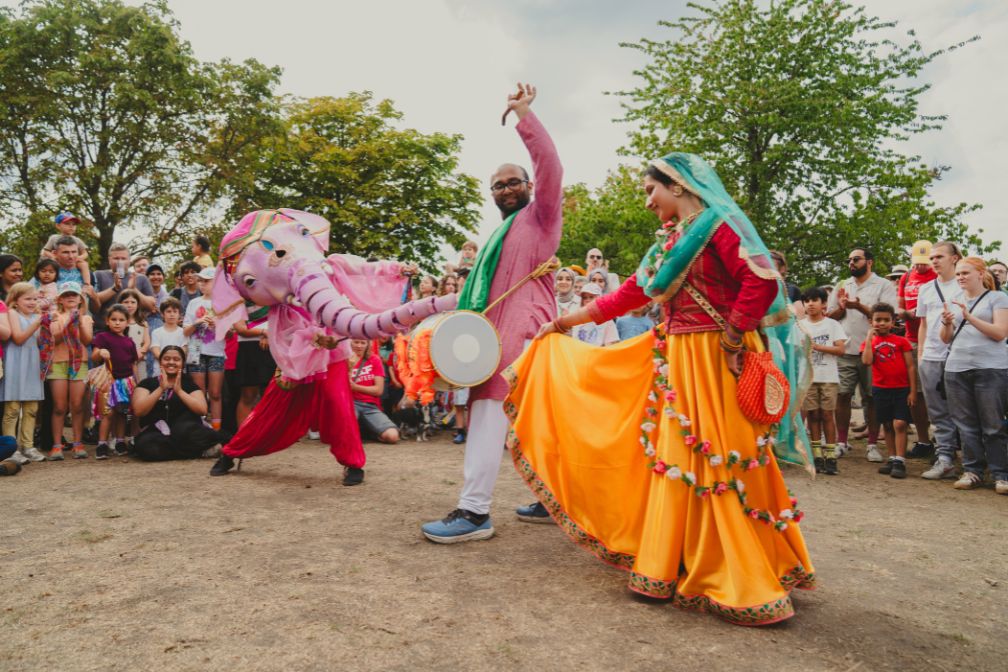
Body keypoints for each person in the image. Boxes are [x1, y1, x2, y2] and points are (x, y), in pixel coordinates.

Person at [512, 152, 814, 625]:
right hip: (678, 358)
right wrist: (564, 321)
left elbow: (758, 282)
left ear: (677, 185)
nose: (648, 201)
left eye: (651, 190)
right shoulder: (668, 245)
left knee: (718, 453)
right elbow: (629, 293)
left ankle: (738, 569)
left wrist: (734, 338)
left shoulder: (720, 224)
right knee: (676, 456)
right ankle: (675, 562)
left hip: (715, 357)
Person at [421, 83, 565, 543]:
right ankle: (554, 498)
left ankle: (474, 511)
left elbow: (552, 167)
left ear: (529, 187)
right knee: (540, 420)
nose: (505, 189)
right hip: (493, 333)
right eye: (497, 185)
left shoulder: (541, 217)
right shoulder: (498, 236)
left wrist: (524, 116)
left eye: (513, 182)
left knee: (486, 415)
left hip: (521, 334)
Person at [939, 258, 1008, 494]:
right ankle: (972, 471)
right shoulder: (952, 301)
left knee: (993, 425)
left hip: (991, 368)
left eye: (965, 273)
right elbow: (945, 338)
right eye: (958, 274)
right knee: (965, 425)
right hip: (956, 369)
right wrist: (946, 323)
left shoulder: (998, 298)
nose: (960, 277)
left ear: (980, 273)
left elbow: (1000, 333)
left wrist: (969, 318)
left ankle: (1001, 475)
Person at [826, 247, 898, 461]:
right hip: (846, 350)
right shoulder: (841, 285)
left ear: (869, 262)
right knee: (842, 396)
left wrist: (859, 306)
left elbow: (888, 317)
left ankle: (873, 444)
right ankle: (841, 441)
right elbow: (830, 317)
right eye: (849, 260)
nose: (851, 263)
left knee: (872, 397)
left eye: (856, 259)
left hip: (873, 350)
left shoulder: (883, 285)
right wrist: (841, 307)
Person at [917, 241, 966, 480]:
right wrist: (921, 355)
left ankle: (974, 462)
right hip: (932, 355)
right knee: (938, 412)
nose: (934, 261)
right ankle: (945, 459)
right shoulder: (926, 289)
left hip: (962, 355)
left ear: (955, 258)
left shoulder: (966, 284)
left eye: (939, 256)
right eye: (932, 257)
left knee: (965, 411)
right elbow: (923, 324)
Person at [130, 345, 220, 460]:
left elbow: (202, 410)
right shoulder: (147, 383)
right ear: (160, 361)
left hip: (185, 429)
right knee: (148, 447)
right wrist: (160, 389)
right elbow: (139, 411)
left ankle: (180, 449)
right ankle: (195, 451)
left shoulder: (188, 384)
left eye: (176, 359)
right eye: (166, 359)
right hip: (156, 431)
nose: (171, 362)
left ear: (182, 364)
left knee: (186, 433)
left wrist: (180, 391)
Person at [860, 303, 916, 479]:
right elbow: (867, 361)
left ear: (893, 322)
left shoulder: (901, 341)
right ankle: (892, 458)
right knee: (887, 424)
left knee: (900, 423)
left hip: (901, 389)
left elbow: (910, 367)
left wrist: (913, 391)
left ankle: (900, 459)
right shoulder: (869, 342)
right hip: (881, 389)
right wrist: (869, 339)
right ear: (871, 321)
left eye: (886, 320)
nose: (882, 323)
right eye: (878, 320)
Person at [798, 286, 847, 475]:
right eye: (807, 301)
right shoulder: (800, 325)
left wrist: (817, 346)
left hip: (828, 377)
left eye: (815, 300)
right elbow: (796, 351)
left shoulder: (832, 325)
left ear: (824, 303)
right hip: (808, 377)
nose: (810, 304)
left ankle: (831, 455)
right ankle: (817, 455)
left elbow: (840, 349)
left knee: (827, 415)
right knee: (812, 415)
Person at [42, 282, 93, 460]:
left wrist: (78, 323)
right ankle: (57, 445)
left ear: (80, 299)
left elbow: (87, 341)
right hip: (58, 363)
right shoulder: (54, 316)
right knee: (59, 406)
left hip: (79, 363)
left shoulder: (86, 318)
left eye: (74, 294)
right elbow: (53, 339)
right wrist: (68, 322)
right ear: (60, 300)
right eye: (66, 295)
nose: (71, 297)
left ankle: (78, 443)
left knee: (77, 405)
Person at [896, 240, 936, 458]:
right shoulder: (907, 276)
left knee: (938, 392)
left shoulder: (937, 277)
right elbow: (899, 306)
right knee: (915, 392)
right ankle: (923, 439)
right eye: (917, 262)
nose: (920, 267)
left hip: (936, 339)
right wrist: (905, 313)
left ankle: (946, 440)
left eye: (925, 262)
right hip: (912, 337)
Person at [2, 283, 46, 463]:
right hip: (15, 362)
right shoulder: (12, 314)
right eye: (27, 299)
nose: (32, 302)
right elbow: (19, 338)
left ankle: (28, 445)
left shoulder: (38, 316)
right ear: (15, 300)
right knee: (12, 408)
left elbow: (41, 342)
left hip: (33, 363)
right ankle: (11, 448)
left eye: (35, 299)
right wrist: (37, 323)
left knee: (31, 408)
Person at [91, 304, 138, 459]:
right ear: (107, 321)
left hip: (125, 382)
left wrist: (136, 383)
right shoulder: (102, 337)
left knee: (122, 413)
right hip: (108, 382)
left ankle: (119, 441)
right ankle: (102, 444)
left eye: (121, 320)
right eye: (114, 319)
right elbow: (94, 355)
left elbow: (133, 364)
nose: (117, 323)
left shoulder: (129, 342)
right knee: (107, 413)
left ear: (127, 322)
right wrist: (100, 353)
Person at [182, 266, 225, 431]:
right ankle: (199, 428)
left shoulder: (223, 303)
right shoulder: (194, 303)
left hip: (216, 352)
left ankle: (216, 429)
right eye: (200, 281)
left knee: (215, 393)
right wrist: (198, 322)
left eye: (206, 281)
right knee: (199, 393)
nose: (202, 284)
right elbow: (185, 331)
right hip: (196, 352)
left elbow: (230, 333)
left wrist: (218, 324)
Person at [93, 243, 156, 329]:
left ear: (129, 260)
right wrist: (114, 289)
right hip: (104, 330)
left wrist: (134, 289)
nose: (120, 262)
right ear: (109, 260)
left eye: (123, 258)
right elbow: (92, 302)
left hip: (134, 330)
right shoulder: (98, 275)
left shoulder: (141, 278)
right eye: (116, 258)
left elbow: (151, 306)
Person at [348, 339, 399, 444]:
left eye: (363, 343)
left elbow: (378, 390)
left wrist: (355, 387)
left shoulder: (374, 359)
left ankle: (368, 431)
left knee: (392, 436)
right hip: (349, 404)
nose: (359, 346)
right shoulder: (342, 360)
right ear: (350, 342)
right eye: (356, 342)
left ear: (368, 344)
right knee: (348, 434)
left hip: (370, 406)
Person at [232, 302, 274, 427]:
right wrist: (263, 332)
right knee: (248, 395)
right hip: (248, 349)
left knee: (269, 396)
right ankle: (243, 437)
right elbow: (241, 329)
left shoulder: (271, 297)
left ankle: (266, 435)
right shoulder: (239, 301)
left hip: (271, 347)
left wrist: (268, 335)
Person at [40, 212, 92, 292]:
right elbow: (45, 251)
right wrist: (53, 257)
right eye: (67, 224)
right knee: (48, 265)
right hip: (57, 261)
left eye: (73, 224)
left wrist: (78, 258)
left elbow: (85, 253)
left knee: (84, 264)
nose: (71, 226)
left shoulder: (77, 240)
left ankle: (87, 284)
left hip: (73, 262)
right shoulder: (54, 238)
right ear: (58, 226)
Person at [117, 288, 150, 380]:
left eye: (133, 302)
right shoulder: (118, 323)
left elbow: (147, 342)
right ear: (120, 304)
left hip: (140, 359)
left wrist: (140, 352)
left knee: (141, 383)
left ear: (138, 304)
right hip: (124, 362)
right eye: (126, 302)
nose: (129, 305)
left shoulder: (143, 323)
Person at [149, 297, 187, 376]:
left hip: (178, 371)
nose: (172, 314)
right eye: (168, 311)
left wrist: (174, 363)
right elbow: (156, 351)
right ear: (162, 314)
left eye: (175, 311)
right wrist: (168, 363)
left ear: (179, 314)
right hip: (159, 372)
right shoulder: (156, 332)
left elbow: (183, 351)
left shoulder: (183, 332)